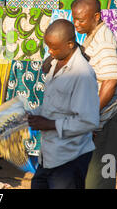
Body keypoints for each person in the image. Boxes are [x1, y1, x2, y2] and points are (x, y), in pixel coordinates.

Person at [28, 19, 100, 189]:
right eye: (48, 47)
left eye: (54, 48)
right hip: (49, 156)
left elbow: (88, 121)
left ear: (69, 44)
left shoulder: (82, 74)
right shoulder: (55, 64)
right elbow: (53, 104)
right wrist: (31, 115)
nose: (50, 52)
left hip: (70, 157)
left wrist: (49, 124)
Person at [70, 0, 117, 189]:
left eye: (81, 20)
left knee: (101, 178)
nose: (76, 24)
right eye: (74, 19)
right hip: (98, 117)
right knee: (89, 175)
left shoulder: (104, 41)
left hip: (107, 118)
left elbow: (110, 82)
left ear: (96, 16)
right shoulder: (91, 34)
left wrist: (91, 116)